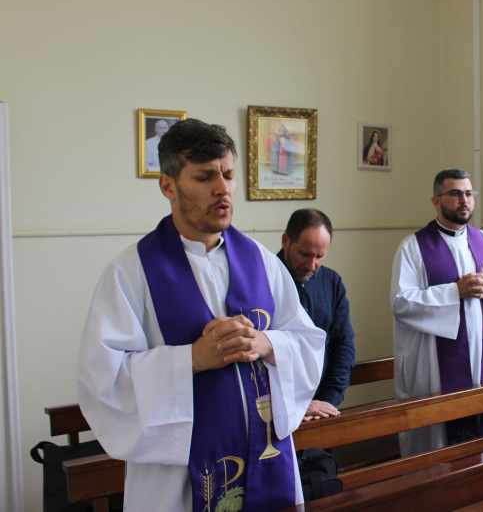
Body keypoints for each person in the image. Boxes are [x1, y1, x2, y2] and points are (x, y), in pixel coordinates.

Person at [77, 118, 326, 512]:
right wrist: (191, 359)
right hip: (176, 478)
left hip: (265, 460)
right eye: (205, 176)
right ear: (168, 186)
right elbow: (103, 381)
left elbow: (308, 342)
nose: (222, 188)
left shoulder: (262, 262)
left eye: (228, 174)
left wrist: (266, 343)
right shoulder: (130, 273)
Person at [391, 168, 483, 456]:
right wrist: (453, 292)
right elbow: (401, 302)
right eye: (456, 194)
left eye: (469, 193)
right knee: (438, 444)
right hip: (437, 360)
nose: (465, 200)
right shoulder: (413, 247)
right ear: (436, 201)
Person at [277, 209, 356, 421]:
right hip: (276, 407)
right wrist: (294, 404)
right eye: (304, 254)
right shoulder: (263, 278)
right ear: (286, 241)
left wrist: (329, 400)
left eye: (319, 256)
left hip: (323, 407)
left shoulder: (332, 282)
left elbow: (343, 345)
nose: (312, 265)